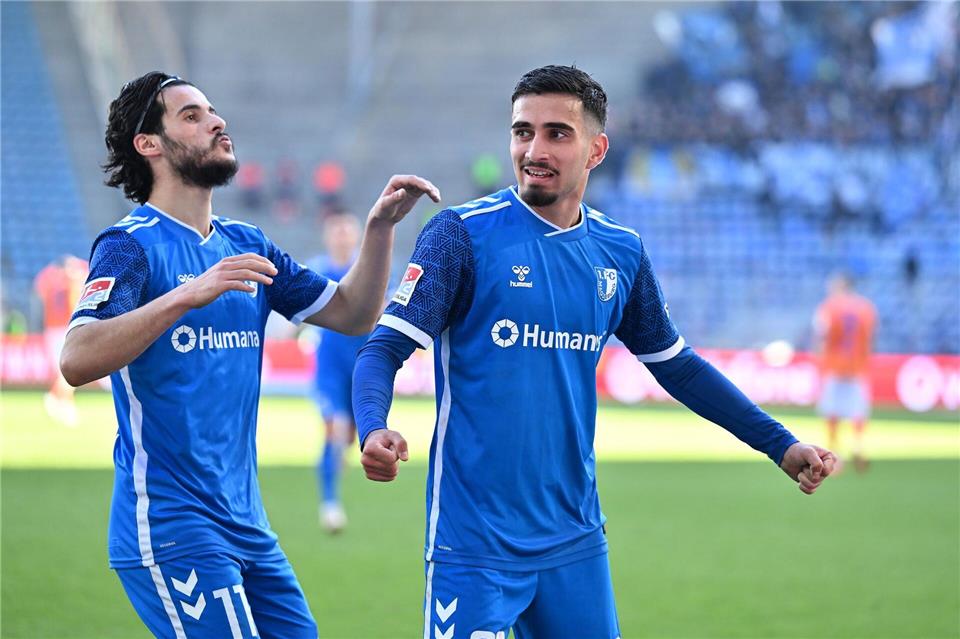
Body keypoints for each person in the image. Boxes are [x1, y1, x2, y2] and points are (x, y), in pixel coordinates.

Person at [352, 65, 837, 638]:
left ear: (596, 149)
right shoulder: (460, 234)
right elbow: (381, 350)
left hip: (575, 541)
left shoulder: (620, 252)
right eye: (522, 131)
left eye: (557, 133)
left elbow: (678, 368)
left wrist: (779, 444)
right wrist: (372, 426)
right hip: (475, 543)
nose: (534, 148)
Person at [59, 71, 439, 639]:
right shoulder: (130, 245)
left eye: (213, 111)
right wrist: (188, 293)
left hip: (247, 524)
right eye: (192, 115)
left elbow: (354, 314)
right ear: (149, 144)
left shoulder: (248, 245)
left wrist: (379, 229)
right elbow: (75, 357)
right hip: (171, 523)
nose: (217, 122)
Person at [308, 212, 368, 533]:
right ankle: (330, 504)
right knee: (335, 430)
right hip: (329, 366)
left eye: (348, 230)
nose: (343, 236)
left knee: (349, 438)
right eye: (337, 230)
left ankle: (336, 465)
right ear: (328, 236)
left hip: (363, 368)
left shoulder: (370, 270)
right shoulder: (317, 271)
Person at [813, 273, 878, 473]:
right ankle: (858, 446)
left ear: (840, 286)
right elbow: (871, 338)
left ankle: (834, 454)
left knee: (832, 411)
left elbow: (822, 335)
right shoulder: (867, 308)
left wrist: (820, 360)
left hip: (834, 366)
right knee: (857, 410)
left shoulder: (829, 307)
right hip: (857, 367)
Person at [34, 254, 89, 426]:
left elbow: (39, 290)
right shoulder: (71, 282)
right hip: (64, 328)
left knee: (63, 369)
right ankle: (55, 398)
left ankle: (65, 403)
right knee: (67, 370)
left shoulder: (50, 280)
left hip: (51, 328)